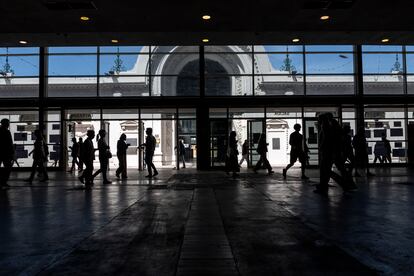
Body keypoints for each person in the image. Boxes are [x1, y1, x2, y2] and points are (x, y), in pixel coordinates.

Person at [314, 114, 356, 195]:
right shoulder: (334, 126)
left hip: (328, 152)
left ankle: (341, 183)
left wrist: (321, 148)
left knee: (325, 169)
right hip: (334, 151)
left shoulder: (326, 126)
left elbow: (326, 139)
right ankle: (347, 183)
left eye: (319, 119)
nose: (318, 121)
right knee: (337, 168)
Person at [0, 118, 14, 189]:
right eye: (8, 123)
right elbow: (10, 144)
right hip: (6, 153)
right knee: (8, 168)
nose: (8, 124)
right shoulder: (7, 132)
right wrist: (12, 153)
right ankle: (3, 182)